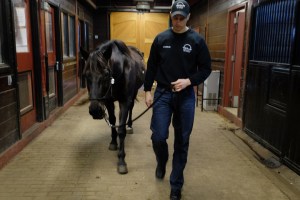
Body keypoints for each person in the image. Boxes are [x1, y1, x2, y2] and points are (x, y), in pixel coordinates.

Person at [144, 0, 212, 199]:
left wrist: (189, 81)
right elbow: (152, 67)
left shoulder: (197, 41)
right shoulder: (161, 39)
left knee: (182, 141)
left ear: (188, 17)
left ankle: (176, 185)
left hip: (186, 97)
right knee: (158, 136)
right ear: (170, 15)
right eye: (175, 17)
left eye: (182, 18)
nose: (178, 21)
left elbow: (206, 68)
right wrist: (147, 90)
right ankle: (161, 161)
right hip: (163, 94)